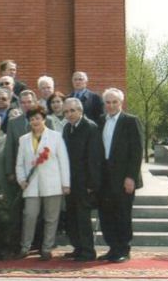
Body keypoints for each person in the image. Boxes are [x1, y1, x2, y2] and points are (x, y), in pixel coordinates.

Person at [16, 106, 70, 261]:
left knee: (51, 218)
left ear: (44, 119)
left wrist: (65, 183)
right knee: (29, 215)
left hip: (52, 183)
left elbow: (63, 161)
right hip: (30, 184)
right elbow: (19, 163)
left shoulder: (55, 137)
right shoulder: (24, 139)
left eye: (38, 118)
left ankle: (46, 248)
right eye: (32, 119)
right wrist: (21, 179)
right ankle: (25, 246)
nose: (35, 121)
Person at [97, 88, 143, 263]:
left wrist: (131, 177)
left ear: (121, 103)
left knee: (122, 214)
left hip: (124, 178)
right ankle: (113, 248)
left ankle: (124, 249)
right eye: (108, 102)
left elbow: (137, 151)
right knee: (106, 215)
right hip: (104, 177)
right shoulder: (100, 121)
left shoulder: (130, 121)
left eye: (114, 102)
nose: (111, 105)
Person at [62, 98, 102, 262]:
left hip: (84, 182)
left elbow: (94, 157)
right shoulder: (67, 128)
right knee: (72, 217)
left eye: (72, 111)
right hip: (70, 181)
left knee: (83, 218)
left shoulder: (90, 127)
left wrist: (92, 183)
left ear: (80, 111)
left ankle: (88, 251)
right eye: (66, 112)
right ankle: (77, 247)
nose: (69, 114)